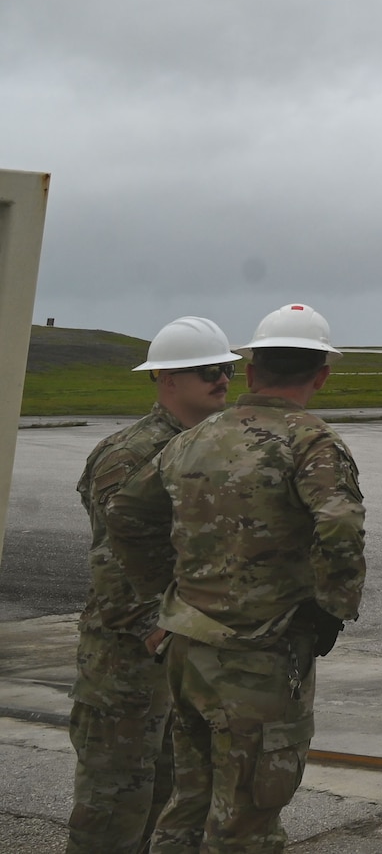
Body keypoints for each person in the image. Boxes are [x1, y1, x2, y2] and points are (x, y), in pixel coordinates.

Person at [105, 303, 365, 853]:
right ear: (322, 375)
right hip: (258, 656)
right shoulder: (310, 441)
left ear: (249, 370)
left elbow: (125, 514)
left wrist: (163, 599)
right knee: (247, 819)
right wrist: (332, 607)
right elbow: (339, 523)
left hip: (188, 650)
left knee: (190, 802)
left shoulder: (193, 438)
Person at [67, 318, 240, 854]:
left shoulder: (202, 446)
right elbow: (113, 558)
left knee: (170, 798)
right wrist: (152, 628)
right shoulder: (133, 453)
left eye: (227, 369)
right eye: (208, 371)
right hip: (128, 656)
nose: (222, 380)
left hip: (178, 651)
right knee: (114, 804)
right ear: (167, 379)